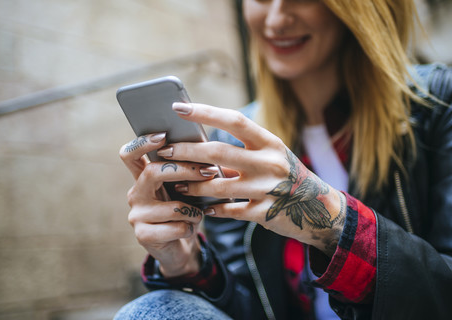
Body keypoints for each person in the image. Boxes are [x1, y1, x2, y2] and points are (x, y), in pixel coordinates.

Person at [114, 0, 452, 319]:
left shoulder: (437, 102)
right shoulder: (232, 143)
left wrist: (334, 222)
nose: (275, 20)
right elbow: (252, 306)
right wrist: (186, 263)